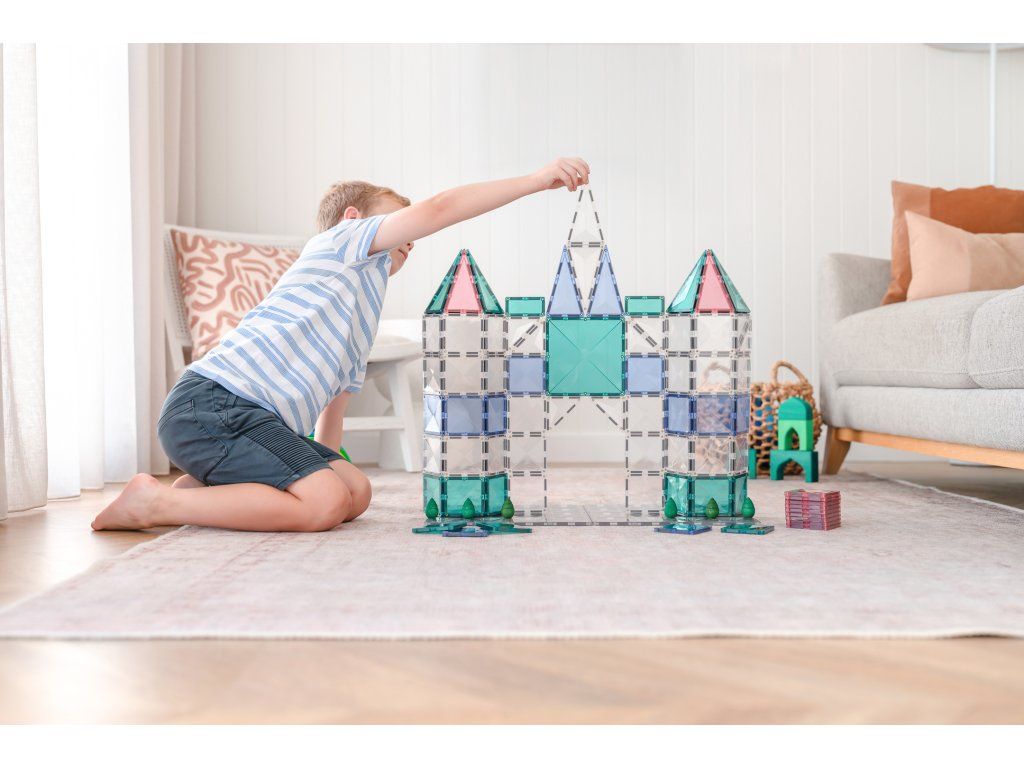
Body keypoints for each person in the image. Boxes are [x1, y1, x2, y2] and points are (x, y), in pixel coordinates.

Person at [92, 157, 591, 532]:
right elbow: (441, 209)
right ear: (354, 218)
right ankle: (157, 502)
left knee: (354, 492)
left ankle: (205, 485)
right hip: (214, 405)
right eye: (399, 221)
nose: (411, 237)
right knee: (324, 504)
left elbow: (332, 413)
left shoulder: (356, 315)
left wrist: (325, 470)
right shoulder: (341, 244)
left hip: (252, 422)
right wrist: (534, 180)